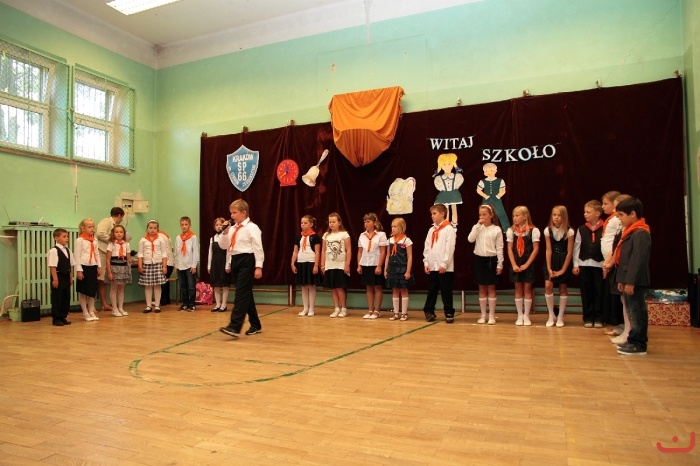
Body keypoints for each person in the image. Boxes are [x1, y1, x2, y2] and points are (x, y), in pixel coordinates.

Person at [219, 199, 265, 338]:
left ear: (244, 213)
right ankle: (256, 324)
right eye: (231, 213)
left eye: (234, 213)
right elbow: (223, 246)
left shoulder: (252, 228)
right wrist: (225, 232)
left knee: (240, 294)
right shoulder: (232, 228)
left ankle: (234, 326)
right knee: (246, 294)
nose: (231, 216)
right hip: (235, 260)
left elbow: (258, 248)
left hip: (247, 260)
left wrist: (258, 266)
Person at [613, 197, 651, 356]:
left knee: (637, 312)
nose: (619, 218)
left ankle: (639, 344)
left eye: (621, 215)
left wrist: (630, 281)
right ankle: (632, 340)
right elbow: (625, 259)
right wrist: (622, 279)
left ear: (633, 214)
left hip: (636, 281)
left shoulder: (641, 233)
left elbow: (637, 260)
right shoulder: (631, 232)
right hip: (628, 279)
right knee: (631, 311)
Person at [603, 194, 633, 345]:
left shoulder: (635, 230)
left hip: (626, 269)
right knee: (623, 299)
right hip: (617, 266)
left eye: (617, 208)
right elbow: (615, 247)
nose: (615, 211)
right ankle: (627, 330)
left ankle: (630, 332)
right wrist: (608, 262)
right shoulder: (621, 226)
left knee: (629, 302)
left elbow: (622, 249)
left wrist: (612, 262)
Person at [467, 204, 503, 325]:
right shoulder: (478, 228)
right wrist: (477, 226)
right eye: (480, 215)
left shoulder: (496, 229)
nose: (482, 217)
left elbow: (499, 248)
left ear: (491, 215)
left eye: (484, 214)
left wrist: (500, 264)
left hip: (491, 260)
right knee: (481, 288)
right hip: (479, 260)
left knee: (491, 288)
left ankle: (491, 315)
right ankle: (483, 315)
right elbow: (470, 239)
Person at [572, 200, 605, 328]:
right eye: (584, 212)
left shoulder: (605, 227)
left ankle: (599, 317)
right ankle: (588, 317)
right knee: (586, 292)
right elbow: (577, 247)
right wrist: (575, 264)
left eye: (588, 212)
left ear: (597, 213)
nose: (585, 214)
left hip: (600, 264)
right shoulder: (582, 229)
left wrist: (606, 264)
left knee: (599, 291)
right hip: (584, 263)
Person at [422, 204, 456, 323]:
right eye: (431, 214)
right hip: (432, 265)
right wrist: (426, 262)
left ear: (442, 214)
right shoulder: (431, 230)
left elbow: (450, 247)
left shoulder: (449, 229)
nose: (432, 216)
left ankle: (449, 312)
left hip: (444, 267)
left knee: (446, 290)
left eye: (434, 213)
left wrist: (444, 263)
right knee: (432, 290)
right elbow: (427, 247)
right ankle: (429, 311)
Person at [506, 206, 540, 325]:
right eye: (513, 216)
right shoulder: (511, 231)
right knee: (518, 288)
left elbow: (536, 249)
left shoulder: (533, 230)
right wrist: (514, 264)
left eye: (517, 215)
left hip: (528, 262)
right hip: (516, 261)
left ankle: (526, 315)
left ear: (525, 216)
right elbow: (509, 249)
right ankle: (520, 315)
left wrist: (526, 264)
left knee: (527, 288)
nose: (514, 218)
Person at [542, 205, 574, 327]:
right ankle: (551, 315)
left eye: (559, 215)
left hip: (563, 261)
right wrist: (549, 268)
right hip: (552, 260)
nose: (556, 217)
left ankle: (560, 316)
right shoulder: (547, 230)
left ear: (564, 217)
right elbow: (548, 250)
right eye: (554, 215)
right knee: (548, 285)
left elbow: (570, 252)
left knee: (563, 288)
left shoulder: (569, 231)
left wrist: (563, 270)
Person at [96, 207, 129, 312]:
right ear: (119, 215)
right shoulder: (106, 221)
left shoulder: (118, 228)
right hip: (103, 252)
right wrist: (113, 240)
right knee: (102, 278)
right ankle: (103, 303)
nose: (122, 220)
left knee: (112, 281)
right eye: (122, 217)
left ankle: (111, 305)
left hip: (115, 256)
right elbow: (100, 234)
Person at [357, 213, 388, 319]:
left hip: (375, 263)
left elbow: (383, 252)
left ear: (374, 223)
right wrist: (359, 265)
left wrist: (379, 266)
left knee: (377, 287)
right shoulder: (362, 235)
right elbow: (360, 251)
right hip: (365, 263)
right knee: (369, 287)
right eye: (364, 222)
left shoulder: (381, 235)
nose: (366, 224)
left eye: (368, 221)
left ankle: (377, 310)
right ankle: (370, 310)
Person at [600, 191, 623, 330]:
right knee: (612, 293)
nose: (603, 206)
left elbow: (617, 244)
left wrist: (609, 262)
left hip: (614, 261)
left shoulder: (617, 220)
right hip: (609, 260)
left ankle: (619, 324)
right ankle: (616, 324)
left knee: (617, 295)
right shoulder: (612, 219)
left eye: (605, 203)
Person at [321, 212, 351, 318]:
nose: (331, 224)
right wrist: (322, 265)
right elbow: (323, 250)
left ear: (339, 222)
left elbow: (348, 250)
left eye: (334, 222)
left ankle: (344, 308)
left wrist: (347, 264)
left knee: (339, 287)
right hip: (329, 265)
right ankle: (336, 308)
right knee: (333, 287)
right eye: (330, 222)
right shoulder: (326, 235)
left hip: (340, 265)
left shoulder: (344, 234)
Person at [384, 217, 414, 321]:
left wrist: (408, 271)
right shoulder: (390, 240)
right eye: (392, 226)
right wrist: (385, 269)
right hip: (392, 269)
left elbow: (410, 257)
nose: (392, 228)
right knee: (395, 290)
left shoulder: (406, 240)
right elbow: (387, 256)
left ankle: (404, 313)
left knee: (404, 290)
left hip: (402, 268)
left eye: (395, 226)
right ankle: (396, 313)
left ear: (401, 227)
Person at [291, 215, 321, 317]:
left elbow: (317, 252)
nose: (303, 225)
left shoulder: (315, 237)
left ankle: (311, 308)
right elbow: (295, 251)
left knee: (311, 286)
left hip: (311, 262)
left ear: (311, 224)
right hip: (301, 263)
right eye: (302, 223)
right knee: (303, 286)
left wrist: (316, 265)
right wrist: (292, 263)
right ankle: (305, 308)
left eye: (305, 223)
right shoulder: (298, 237)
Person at [138, 220, 168, 313]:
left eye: (155, 228)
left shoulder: (160, 239)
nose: (152, 230)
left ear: (157, 229)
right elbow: (140, 254)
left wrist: (164, 266)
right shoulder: (143, 240)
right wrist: (140, 265)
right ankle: (148, 305)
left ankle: (157, 305)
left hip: (158, 264)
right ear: (147, 228)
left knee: (157, 285)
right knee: (148, 285)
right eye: (150, 228)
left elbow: (164, 253)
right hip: (147, 264)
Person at [75, 218, 102, 322]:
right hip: (83, 266)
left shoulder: (94, 240)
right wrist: (79, 270)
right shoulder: (80, 240)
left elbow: (97, 253)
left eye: (93, 227)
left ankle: (91, 311)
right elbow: (77, 255)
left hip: (93, 266)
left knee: (92, 291)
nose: (92, 229)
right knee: (83, 291)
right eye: (89, 227)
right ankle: (85, 312)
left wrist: (99, 266)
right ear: (83, 228)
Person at [48, 228, 74, 326]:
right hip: (58, 275)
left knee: (66, 296)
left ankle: (63, 316)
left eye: (67, 236)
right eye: (64, 236)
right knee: (57, 297)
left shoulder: (68, 250)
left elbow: (70, 265)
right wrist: (55, 279)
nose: (67, 238)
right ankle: (56, 318)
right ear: (56, 238)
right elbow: (52, 266)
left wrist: (70, 277)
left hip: (66, 275)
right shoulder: (54, 251)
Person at [105, 224, 132, 317]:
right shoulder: (111, 244)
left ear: (124, 233)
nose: (119, 234)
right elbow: (108, 259)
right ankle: (114, 308)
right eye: (116, 232)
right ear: (113, 233)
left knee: (121, 288)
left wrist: (129, 268)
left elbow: (128, 257)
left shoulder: (126, 244)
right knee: (114, 287)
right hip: (114, 267)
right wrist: (109, 272)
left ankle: (120, 308)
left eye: (121, 232)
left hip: (123, 267)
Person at [433, 153, 464, 227]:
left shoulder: (457, 177)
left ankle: (454, 225)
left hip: (453, 194)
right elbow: (439, 187)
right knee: (445, 210)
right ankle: (446, 225)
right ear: (441, 166)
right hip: (444, 195)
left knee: (454, 209)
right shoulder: (439, 178)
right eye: (444, 164)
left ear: (453, 164)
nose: (447, 166)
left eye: (449, 164)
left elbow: (458, 183)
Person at [175, 216, 199, 311]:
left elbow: (195, 251)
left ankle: (192, 304)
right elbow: (176, 252)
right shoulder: (178, 238)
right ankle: (185, 303)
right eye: (182, 225)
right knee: (183, 285)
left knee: (191, 286)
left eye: (186, 224)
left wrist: (194, 265)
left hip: (189, 265)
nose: (184, 226)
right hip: (180, 264)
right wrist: (176, 265)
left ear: (190, 225)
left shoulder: (193, 237)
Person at [477, 162, 509, 231]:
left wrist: (497, 196)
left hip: (496, 200)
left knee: (501, 213)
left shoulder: (500, 181)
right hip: (486, 200)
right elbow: (478, 190)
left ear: (495, 171)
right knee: (484, 213)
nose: (489, 172)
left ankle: (506, 228)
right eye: (486, 171)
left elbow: (503, 190)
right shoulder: (482, 181)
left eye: (491, 170)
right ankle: (483, 227)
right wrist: (486, 196)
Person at [208, 217, 231, 312]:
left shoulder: (227, 237)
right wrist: (209, 266)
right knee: (216, 285)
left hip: (224, 263)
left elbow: (229, 252)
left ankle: (224, 305)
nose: (218, 227)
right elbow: (210, 253)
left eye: (220, 225)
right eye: (216, 225)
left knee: (225, 285)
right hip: (215, 264)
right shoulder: (212, 238)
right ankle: (217, 304)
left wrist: (227, 265)